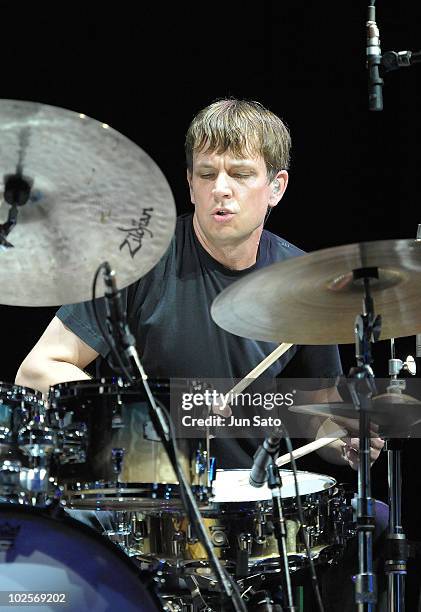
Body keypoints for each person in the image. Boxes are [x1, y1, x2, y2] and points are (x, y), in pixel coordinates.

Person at [15, 98, 386, 609]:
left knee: (377, 526)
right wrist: (145, 421)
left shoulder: (302, 281)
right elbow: (38, 369)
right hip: (148, 499)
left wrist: (343, 440)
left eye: (240, 174)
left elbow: (317, 412)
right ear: (188, 182)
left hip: (257, 511)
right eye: (207, 173)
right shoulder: (139, 261)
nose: (222, 189)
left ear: (276, 187)